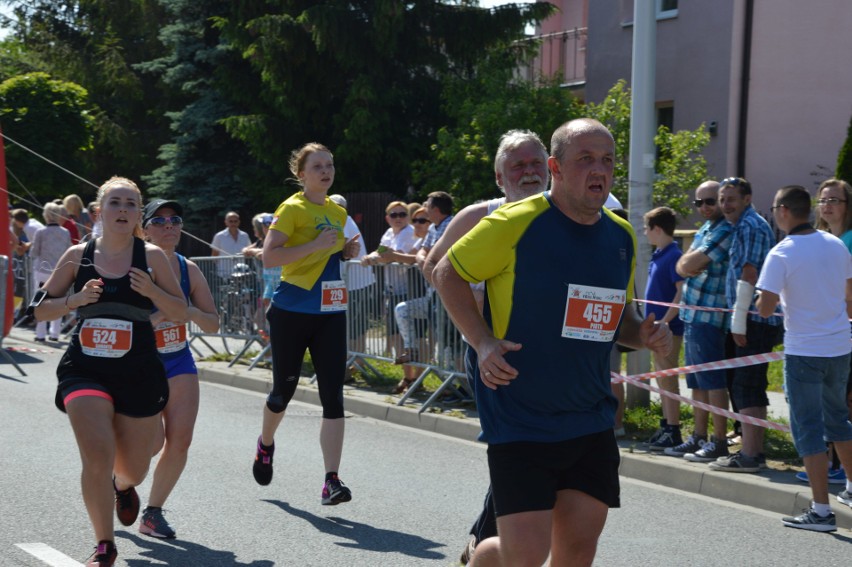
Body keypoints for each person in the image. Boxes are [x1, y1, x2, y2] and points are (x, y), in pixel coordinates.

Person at [433, 118, 672, 567]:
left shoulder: (620, 236)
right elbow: (447, 272)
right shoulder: (515, 223)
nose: (598, 169)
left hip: (590, 417)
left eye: (607, 160)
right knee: (524, 556)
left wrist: (643, 334)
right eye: (585, 159)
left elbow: (618, 317)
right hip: (521, 416)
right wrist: (482, 342)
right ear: (555, 168)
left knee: (576, 552)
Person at [33, 176, 187, 567]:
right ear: (99, 211)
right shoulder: (77, 255)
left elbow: (182, 312)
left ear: (138, 213)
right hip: (84, 369)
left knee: (133, 467)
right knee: (97, 456)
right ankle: (105, 545)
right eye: (115, 203)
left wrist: (153, 293)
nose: (123, 210)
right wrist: (75, 300)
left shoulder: (152, 256)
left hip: (138, 371)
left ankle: (123, 486)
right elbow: (40, 310)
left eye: (131, 204)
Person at [422, 128, 550, 564]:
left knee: (541, 453)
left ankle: (484, 542)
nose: (529, 172)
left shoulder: (575, 211)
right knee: (523, 450)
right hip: (496, 354)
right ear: (500, 178)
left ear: (551, 168)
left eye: (536, 164)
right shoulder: (482, 215)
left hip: (559, 356)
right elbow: (433, 265)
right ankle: (492, 544)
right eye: (518, 166)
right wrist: (477, 315)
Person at [252, 143, 361, 507]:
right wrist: (316, 245)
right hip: (292, 310)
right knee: (283, 392)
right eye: (317, 166)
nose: (326, 171)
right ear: (302, 174)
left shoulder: (337, 210)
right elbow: (270, 256)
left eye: (330, 165)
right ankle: (266, 443)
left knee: (334, 395)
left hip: (331, 311)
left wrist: (345, 250)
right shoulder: (292, 208)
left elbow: (351, 248)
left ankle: (331, 479)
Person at [755, 185, 852, 531]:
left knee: (809, 428)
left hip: (805, 350)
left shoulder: (782, 253)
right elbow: (849, 295)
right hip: (840, 345)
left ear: (783, 211)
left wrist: (759, 300)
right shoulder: (836, 244)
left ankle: (822, 511)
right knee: (839, 420)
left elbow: (764, 309)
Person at [139, 198, 219, 539]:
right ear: (144, 230)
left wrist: (186, 312)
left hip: (178, 358)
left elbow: (213, 323)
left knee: (180, 441)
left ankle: (152, 514)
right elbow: (121, 321)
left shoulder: (190, 269)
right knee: (151, 444)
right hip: (141, 362)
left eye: (175, 219)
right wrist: (160, 314)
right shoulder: (133, 267)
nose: (169, 225)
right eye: (159, 221)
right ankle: (120, 482)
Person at [708, 177, 783, 474]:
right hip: (748, 318)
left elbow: (750, 275)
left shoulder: (750, 226)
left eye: (731, 199)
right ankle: (751, 450)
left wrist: (738, 322)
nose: (725, 205)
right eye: (722, 199)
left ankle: (752, 455)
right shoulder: (742, 225)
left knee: (747, 385)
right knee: (747, 384)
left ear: (747, 199)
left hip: (752, 319)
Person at [667, 181, 733, 463]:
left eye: (710, 201)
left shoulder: (724, 229)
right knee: (696, 381)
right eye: (699, 203)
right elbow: (683, 265)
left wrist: (688, 264)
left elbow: (690, 264)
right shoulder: (706, 229)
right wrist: (687, 264)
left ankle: (719, 441)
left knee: (713, 381)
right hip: (692, 315)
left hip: (709, 316)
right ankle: (698, 436)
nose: (705, 207)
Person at [643, 207, 686, 452]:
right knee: (661, 378)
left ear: (657, 229)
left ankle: (674, 428)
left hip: (668, 329)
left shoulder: (674, 255)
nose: (645, 233)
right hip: (656, 328)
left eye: (647, 228)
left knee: (668, 379)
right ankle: (667, 425)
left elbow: (681, 292)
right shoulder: (659, 254)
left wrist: (666, 321)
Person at [361, 201, 418, 360]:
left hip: (409, 289)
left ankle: (412, 376)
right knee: (393, 332)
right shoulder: (388, 233)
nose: (398, 218)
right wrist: (369, 257)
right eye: (394, 215)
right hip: (392, 289)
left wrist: (381, 257)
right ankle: (404, 371)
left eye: (402, 214)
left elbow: (397, 256)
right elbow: (380, 251)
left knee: (407, 336)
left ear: (408, 217)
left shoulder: (410, 232)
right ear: (388, 218)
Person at [30, 202, 72, 342]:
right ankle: (55, 334)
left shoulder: (41, 232)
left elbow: (34, 252)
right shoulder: (65, 232)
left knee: (40, 302)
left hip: (42, 270)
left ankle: (40, 334)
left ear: (46, 215)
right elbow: (68, 250)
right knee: (58, 302)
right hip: (60, 271)